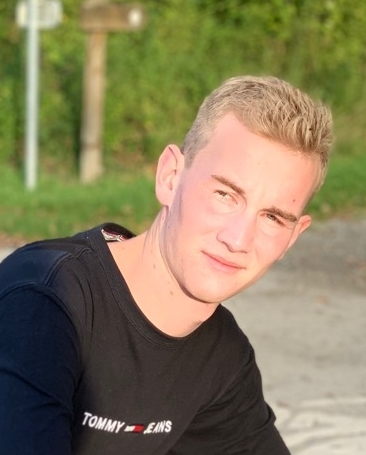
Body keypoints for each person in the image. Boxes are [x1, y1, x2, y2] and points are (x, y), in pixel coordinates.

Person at [0, 75, 333, 454]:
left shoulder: (220, 358)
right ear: (170, 177)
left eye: (272, 217)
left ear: (293, 237)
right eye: (225, 194)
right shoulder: (46, 302)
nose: (238, 239)